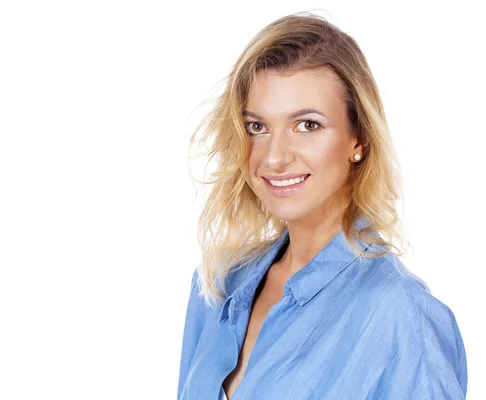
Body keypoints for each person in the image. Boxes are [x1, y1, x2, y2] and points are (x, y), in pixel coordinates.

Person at [178, 12, 468, 400]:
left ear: (359, 140)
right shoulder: (217, 285)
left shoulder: (401, 316)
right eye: (257, 127)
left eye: (308, 125)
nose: (275, 157)